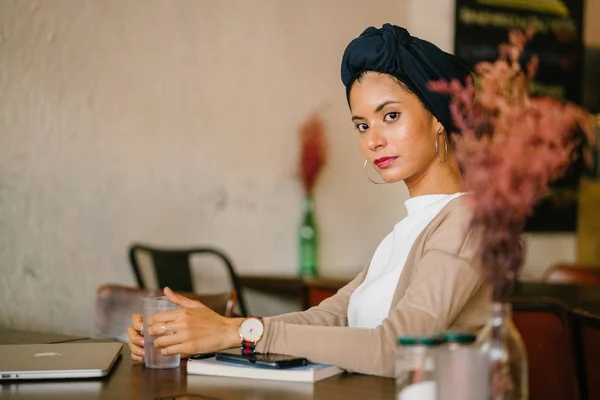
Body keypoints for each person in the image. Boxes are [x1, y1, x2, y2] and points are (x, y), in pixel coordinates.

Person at [127, 23, 488, 378]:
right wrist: (209, 331)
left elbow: (397, 348)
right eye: (362, 125)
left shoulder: (466, 221)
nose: (373, 140)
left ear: (440, 118)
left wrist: (234, 333)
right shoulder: (408, 229)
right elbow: (329, 317)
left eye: (390, 116)